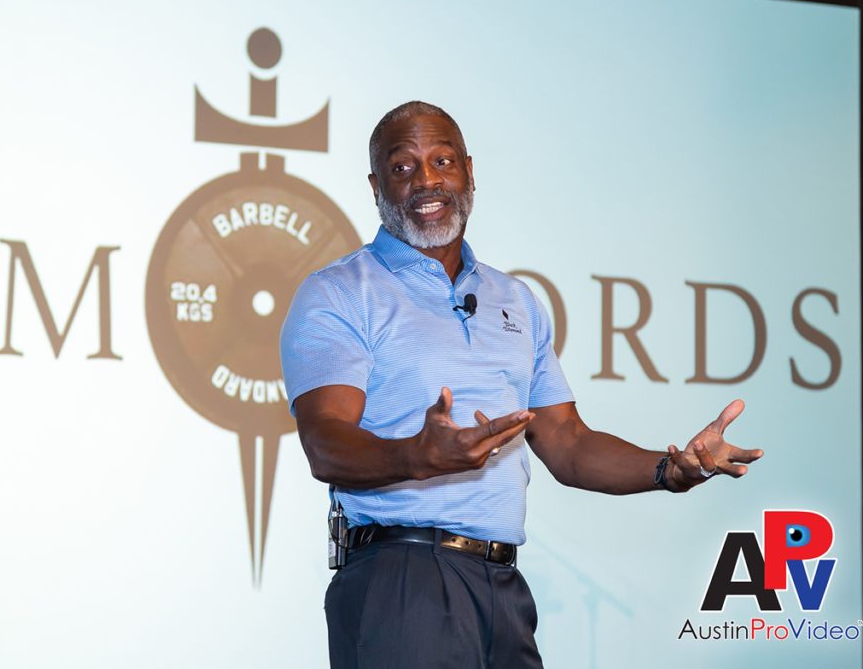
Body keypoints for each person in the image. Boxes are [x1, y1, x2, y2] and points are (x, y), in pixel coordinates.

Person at [279, 101, 763, 669]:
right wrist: (420, 454)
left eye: (443, 160)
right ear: (375, 184)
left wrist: (672, 469)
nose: (427, 180)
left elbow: (569, 444)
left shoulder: (517, 301)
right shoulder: (339, 291)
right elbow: (326, 443)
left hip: (502, 586)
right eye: (403, 166)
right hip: (400, 579)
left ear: (469, 172)